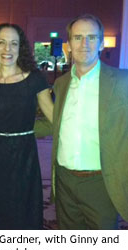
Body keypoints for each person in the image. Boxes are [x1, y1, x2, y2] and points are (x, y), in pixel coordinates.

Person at [35, 14, 128, 229]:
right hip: (64, 181)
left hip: (102, 183)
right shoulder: (61, 83)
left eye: (91, 37)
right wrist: (13, 127)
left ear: (101, 43)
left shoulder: (122, 82)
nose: (84, 44)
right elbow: (57, 122)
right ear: (68, 45)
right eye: (77, 37)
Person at [0, 23, 54, 229]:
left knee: (21, 213)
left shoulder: (34, 80)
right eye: (2, 42)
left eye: (13, 44)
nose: (7, 49)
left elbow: (54, 118)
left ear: (20, 48)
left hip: (24, 155)